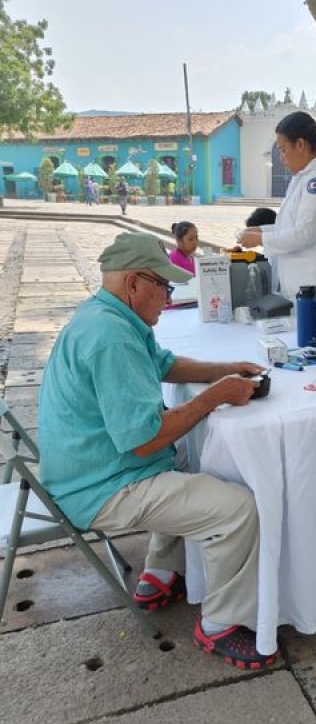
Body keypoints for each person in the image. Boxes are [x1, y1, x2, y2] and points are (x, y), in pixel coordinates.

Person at [37, 232, 276, 670]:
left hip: (89, 467)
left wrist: (224, 370)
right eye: (163, 287)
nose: (169, 297)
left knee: (193, 454)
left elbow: (163, 364)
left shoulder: (107, 314)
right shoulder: (111, 338)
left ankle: (162, 572)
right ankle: (221, 623)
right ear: (133, 284)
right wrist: (215, 396)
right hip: (100, 486)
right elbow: (145, 440)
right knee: (238, 508)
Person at [238, 111, 316, 328]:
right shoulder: (303, 177)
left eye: (283, 149)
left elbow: (305, 233)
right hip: (300, 286)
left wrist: (262, 240)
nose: (281, 157)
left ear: (300, 144)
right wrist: (261, 231)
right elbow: (289, 226)